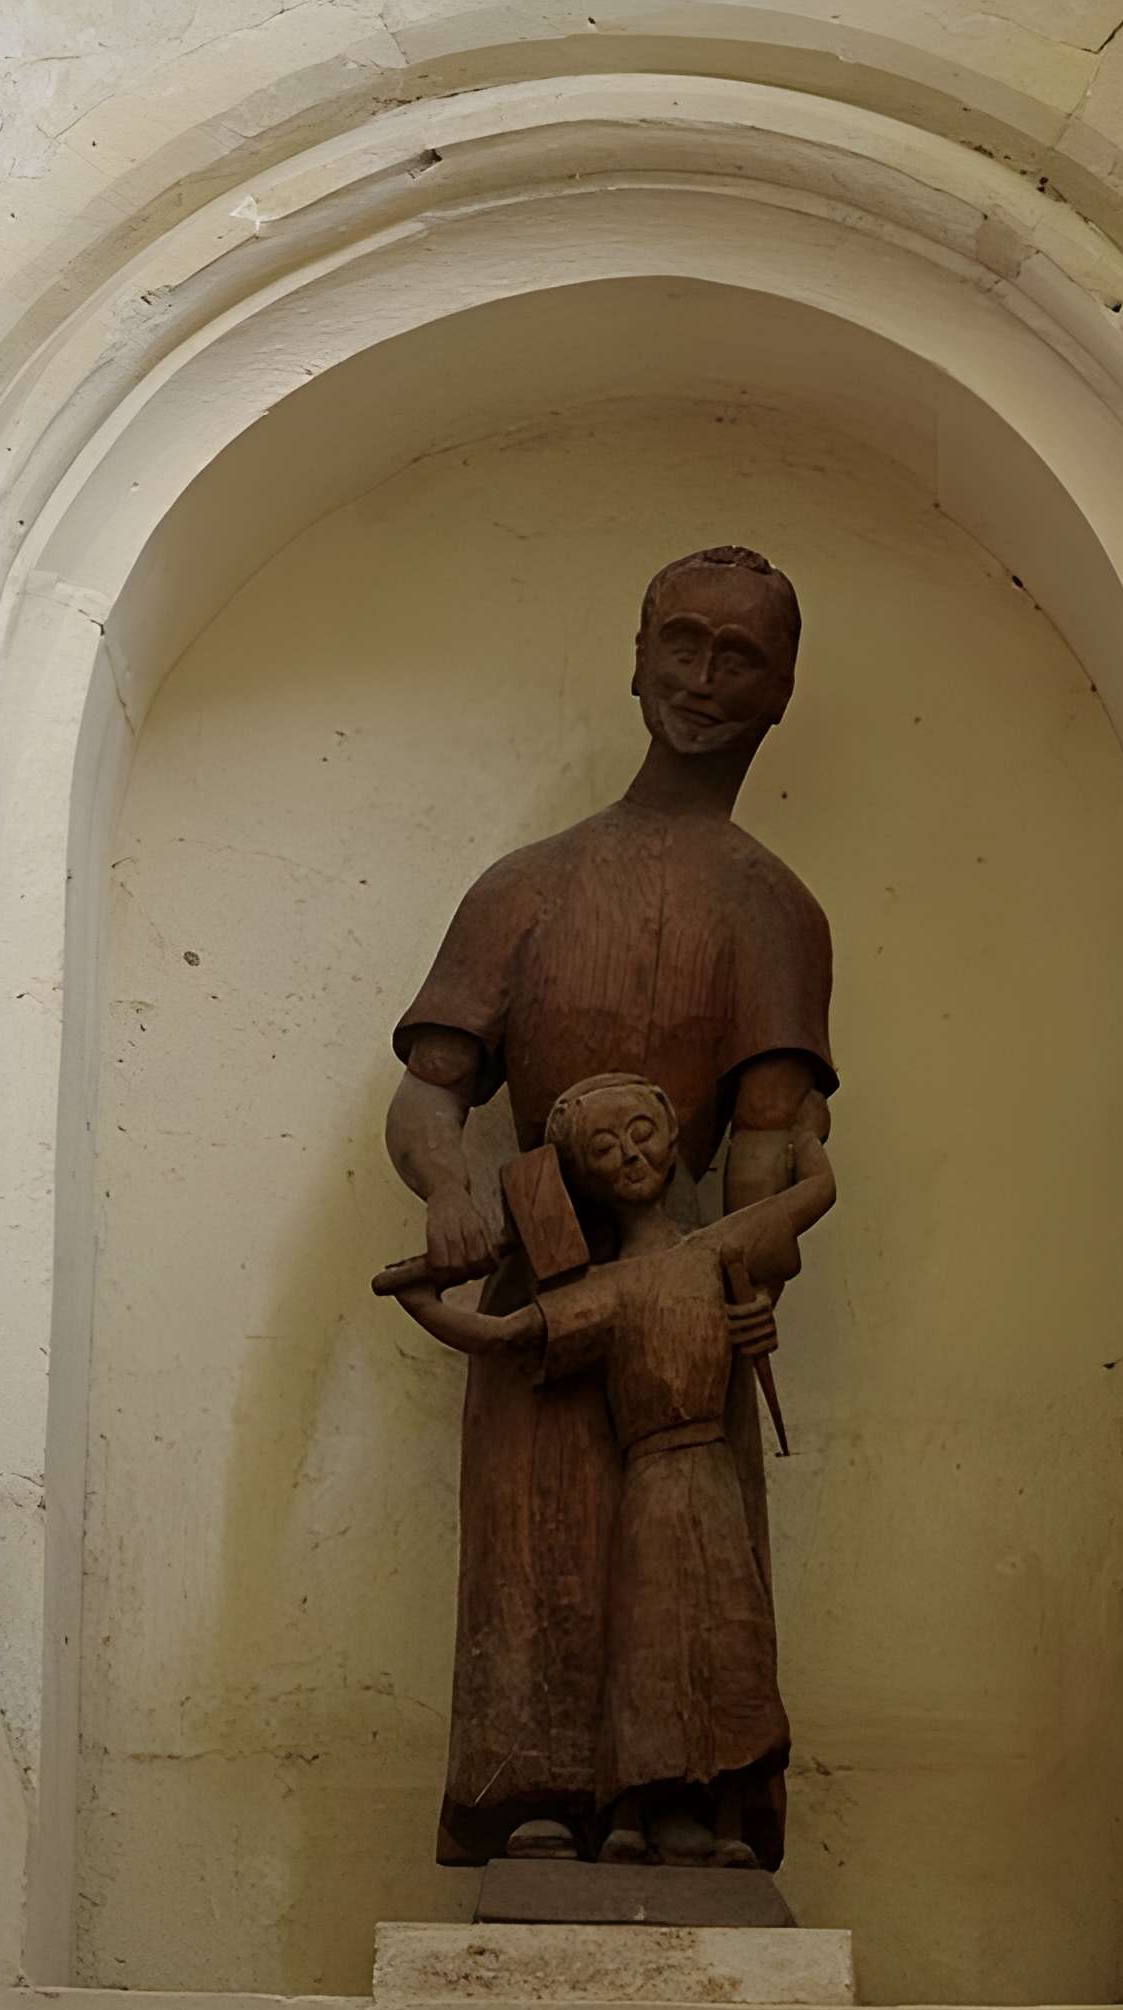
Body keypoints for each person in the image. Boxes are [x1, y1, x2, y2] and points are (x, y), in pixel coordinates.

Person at [383, 545, 837, 1866]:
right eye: (681, 643)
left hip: (681, 1286)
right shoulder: (526, 885)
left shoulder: (772, 908)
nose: (702, 679)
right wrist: (457, 1188)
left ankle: (685, 1787)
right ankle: (531, 1791)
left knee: (683, 1543)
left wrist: (743, 1279)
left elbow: (768, 1138)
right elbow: (430, 1096)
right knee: (537, 1542)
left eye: (738, 655)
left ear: (781, 689)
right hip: (536, 1262)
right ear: (636, 662)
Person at [388, 1075, 835, 1867]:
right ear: (581, 1176)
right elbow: (506, 1336)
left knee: (730, 1637)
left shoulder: (718, 1249)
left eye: (642, 1133)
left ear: (671, 1135)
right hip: (656, 1483)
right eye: (603, 1148)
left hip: (710, 1472)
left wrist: (805, 1133)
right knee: (648, 1642)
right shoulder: (608, 1292)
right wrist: (422, 1299)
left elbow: (810, 1196)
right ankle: (632, 1807)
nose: (630, 1156)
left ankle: (717, 1810)